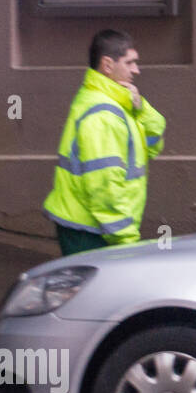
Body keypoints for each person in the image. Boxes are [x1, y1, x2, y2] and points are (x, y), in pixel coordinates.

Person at [43, 30, 166, 255]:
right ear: (107, 65)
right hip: (91, 232)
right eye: (129, 63)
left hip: (92, 227)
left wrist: (141, 108)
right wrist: (126, 241)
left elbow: (153, 144)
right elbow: (105, 186)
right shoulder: (103, 114)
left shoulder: (114, 102)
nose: (136, 70)